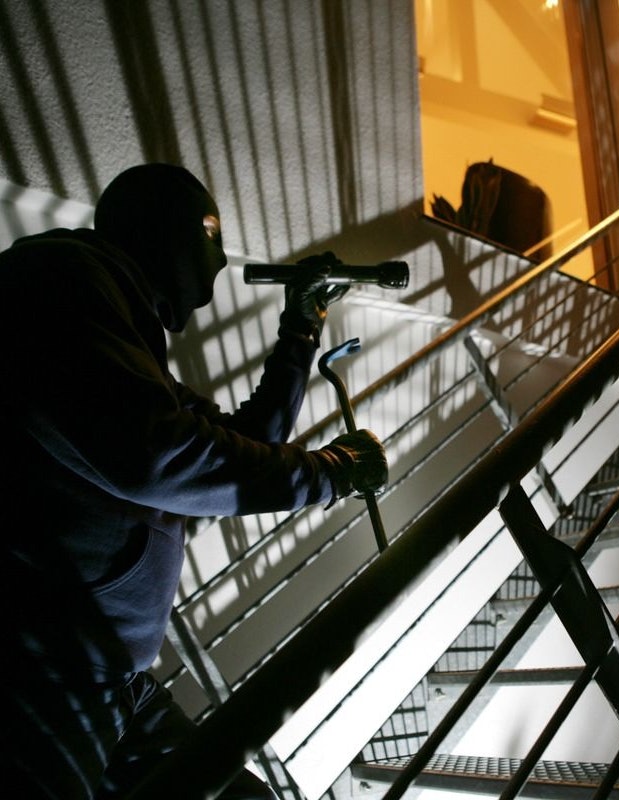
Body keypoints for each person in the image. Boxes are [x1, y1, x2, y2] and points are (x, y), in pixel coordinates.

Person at [0, 163, 388, 799]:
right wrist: (333, 471)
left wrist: (302, 324)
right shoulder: (57, 281)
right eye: (210, 233)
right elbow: (160, 458)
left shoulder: (121, 340)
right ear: (160, 226)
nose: (219, 262)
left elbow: (241, 444)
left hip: (113, 680)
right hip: (43, 674)